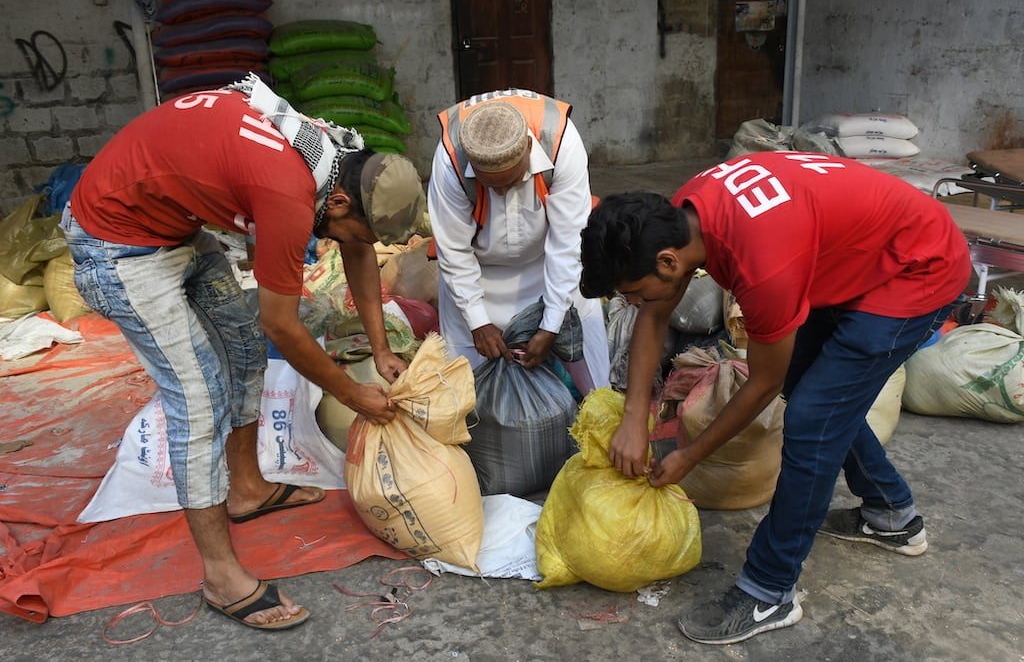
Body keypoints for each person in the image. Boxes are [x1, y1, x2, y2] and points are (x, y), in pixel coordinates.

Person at [61, 74, 426, 631]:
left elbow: (356, 247)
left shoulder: (343, 157)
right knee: (198, 398)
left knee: (242, 348)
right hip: (116, 243)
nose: (355, 240)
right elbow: (280, 323)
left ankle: (248, 489)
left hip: (172, 228)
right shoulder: (288, 190)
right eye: (354, 228)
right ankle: (219, 575)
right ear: (341, 200)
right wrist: (353, 393)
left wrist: (380, 349)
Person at [579, 151, 971, 645]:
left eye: (633, 290)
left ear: (668, 262)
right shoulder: (679, 215)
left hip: (917, 270)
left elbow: (762, 382)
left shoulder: (761, 265)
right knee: (816, 396)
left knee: (811, 420)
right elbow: (654, 315)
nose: (632, 302)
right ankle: (891, 515)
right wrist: (635, 414)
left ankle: (768, 589)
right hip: (858, 255)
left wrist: (690, 456)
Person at [427, 89, 609, 393]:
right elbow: (454, 251)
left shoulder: (560, 141)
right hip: (478, 275)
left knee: (592, 371)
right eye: (489, 185)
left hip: (548, 262)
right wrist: (477, 322)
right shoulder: (451, 159)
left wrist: (551, 325)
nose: (500, 193)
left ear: (528, 147)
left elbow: (568, 244)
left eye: (511, 182)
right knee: (468, 389)